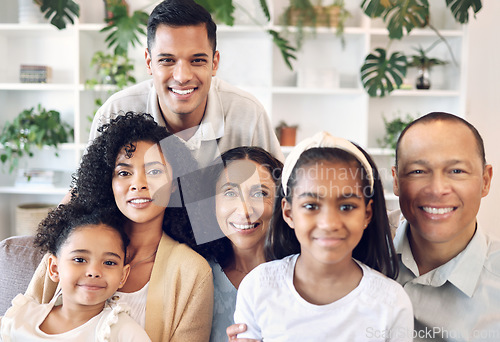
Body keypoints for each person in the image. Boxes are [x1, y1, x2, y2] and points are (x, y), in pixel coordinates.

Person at [26, 113, 214, 342]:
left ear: (174, 183)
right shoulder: (68, 247)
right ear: (109, 182)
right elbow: (23, 323)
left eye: (154, 171)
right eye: (124, 173)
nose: (138, 184)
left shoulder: (192, 272)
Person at [232, 131, 414, 341]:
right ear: (288, 213)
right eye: (311, 206)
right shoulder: (258, 287)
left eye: (346, 206)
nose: (329, 223)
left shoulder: (391, 302)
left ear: (367, 214)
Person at [88, 0, 283, 167]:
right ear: (149, 63)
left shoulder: (248, 115)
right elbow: (86, 198)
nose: (182, 77)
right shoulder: (116, 112)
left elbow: (278, 195)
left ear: (214, 63)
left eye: (197, 60)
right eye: (167, 60)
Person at [391, 112, 500, 341]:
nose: (437, 189)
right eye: (418, 171)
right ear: (396, 181)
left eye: (456, 171)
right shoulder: (355, 244)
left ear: (485, 181)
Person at [1, 202, 151, 341]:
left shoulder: (122, 331)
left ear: (123, 276)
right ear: (54, 268)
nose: (94, 272)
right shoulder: (21, 317)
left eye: (109, 262)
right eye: (79, 260)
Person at [192, 146, 282, 342]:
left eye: (260, 193)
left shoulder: (300, 276)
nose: (245, 210)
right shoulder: (195, 276)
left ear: (281, 203)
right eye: (230, 193)